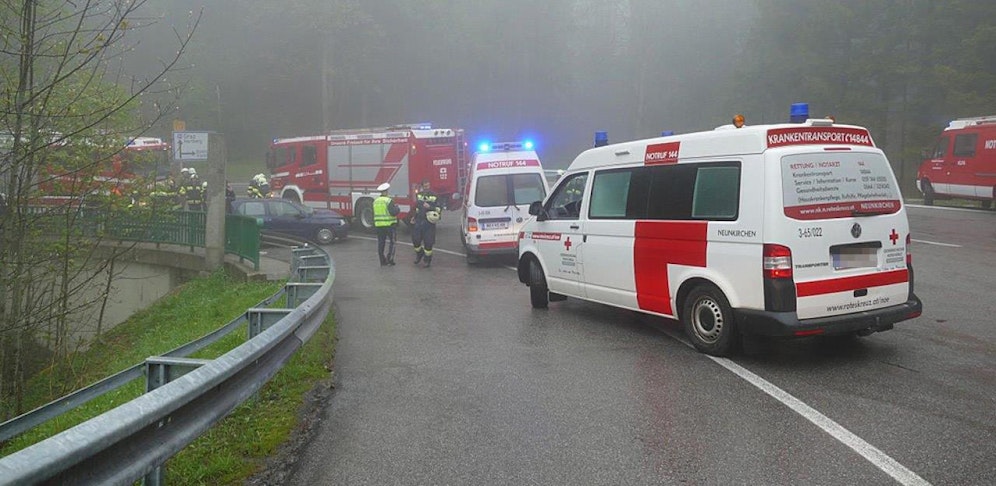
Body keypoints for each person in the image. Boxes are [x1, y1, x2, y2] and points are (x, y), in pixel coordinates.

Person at [411, 179, 440, 267]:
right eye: (425, 186)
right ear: (422, 186)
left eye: (428, 186)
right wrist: (414, 217)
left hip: (429, 222)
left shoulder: (435, 195)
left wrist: (430, 207)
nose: (426, 188)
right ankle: (419, 254)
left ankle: (427, 260)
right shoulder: (419, 195)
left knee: (428, 242)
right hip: (419, 220)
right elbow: (417, 207)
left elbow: (439, 208)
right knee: (416, 240)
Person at [372, 182, 400, 266]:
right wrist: (397, 208)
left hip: (379, 225)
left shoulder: (375, 201)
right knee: (393, 242)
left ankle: (382, 260)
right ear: (386, 191)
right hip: (389, 225)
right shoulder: (388, 201)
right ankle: (390, 259)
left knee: (381, 243)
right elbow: (393, 212)